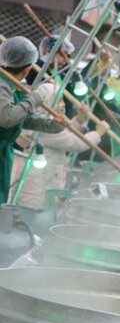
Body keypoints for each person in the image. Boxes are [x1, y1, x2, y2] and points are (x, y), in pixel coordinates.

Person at [16, 82, 108, 208]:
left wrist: (80, 118)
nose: (64, 104)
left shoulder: (43, 120)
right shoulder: (44, 126)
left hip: (48, 175)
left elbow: (66, 132)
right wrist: (98, 133)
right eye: (59, 101)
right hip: (42, 181)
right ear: (47, 104)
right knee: (37, 209)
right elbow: (75, 143)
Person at [0, 36, 68, 203]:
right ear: (28, 69)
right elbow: (7, 118)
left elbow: (23, 119)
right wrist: (34, 99)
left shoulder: (15, 86)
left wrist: (52, 125)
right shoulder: (2, 84)